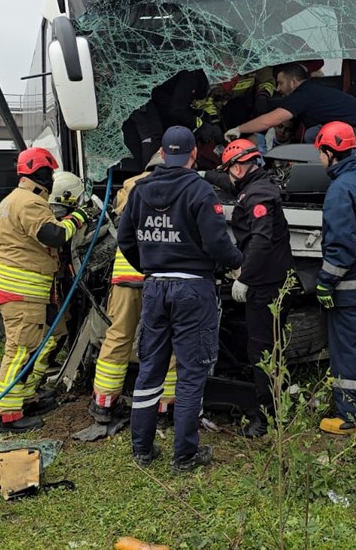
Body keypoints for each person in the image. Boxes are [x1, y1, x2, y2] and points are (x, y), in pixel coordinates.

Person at [117, 126, 243, 473]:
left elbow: (124, 238)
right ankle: (184, 455)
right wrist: (236, 262)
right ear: (192, 155)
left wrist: (151, 264)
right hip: (192, 289)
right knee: (190, 374)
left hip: (156, 287)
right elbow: (218, 243)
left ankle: (142, 449)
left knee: (149, 371)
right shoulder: (200, 191)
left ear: (161, 152)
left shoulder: (140, 190)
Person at [0, 148, 89, 433]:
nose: (53, 177)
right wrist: (78, 217)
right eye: (51, 172)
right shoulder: (30, 203)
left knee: (42, 340)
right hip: (23, 291)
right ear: (41, 173)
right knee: (20, 350)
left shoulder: (12, 199)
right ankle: (6, 413)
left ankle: (26, 396)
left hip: (27, 289)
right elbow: (54, 235)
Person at [89, 152, 179, 425]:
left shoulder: (130, 186)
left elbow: (119, 220)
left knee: (118, 335)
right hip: (161, 276)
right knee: (169, 340)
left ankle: (103, 404)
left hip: (127, 273)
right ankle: (164, 408)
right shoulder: (182, 186)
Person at [313, 122, 356, 435]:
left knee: (349, 348)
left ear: (331, 152)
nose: (319, 159)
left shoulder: (340, 190)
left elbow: (341, 245)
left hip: (350, 287)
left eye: (320, 153)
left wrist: (325, 281)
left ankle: (353, 418)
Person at [221, 139, 295, 438]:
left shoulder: (258, 196)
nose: (227, 176)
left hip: (265, 285)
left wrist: (245, 277)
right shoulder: (257, 187)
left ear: (239, 167)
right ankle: (281, 406)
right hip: (276, 279)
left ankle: (266, 419)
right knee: (274, 348)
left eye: (229, 170)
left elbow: (261, 240)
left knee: (262, 350)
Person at [225, 63, 356, 149]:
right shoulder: (311, 92)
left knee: (314, 134)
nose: (278, 89)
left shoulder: (303, 94)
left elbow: (268, 121)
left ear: (294, 82)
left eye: (281, 83)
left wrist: (239, 129)